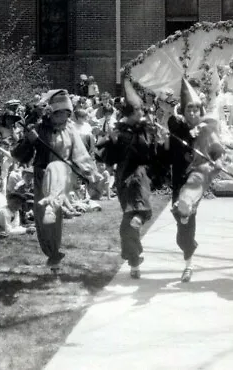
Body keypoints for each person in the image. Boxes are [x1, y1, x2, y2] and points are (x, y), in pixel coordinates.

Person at [11, 89, 102, 266]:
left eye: (68, 114)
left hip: (61, 174)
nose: (66, 118)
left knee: (54, 212)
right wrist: (29, 140)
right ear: (53, 113)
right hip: (41, 175)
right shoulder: (38, 129)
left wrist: (92, 175)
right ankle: (52, 254)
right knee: (42, 217)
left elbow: (81, 154)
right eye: (62, 114)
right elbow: (20, 155)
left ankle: (54, 245)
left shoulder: (70, 129)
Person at [95, 80, 158, 279]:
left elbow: (151, 154)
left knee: (129, 222)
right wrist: (112, 142)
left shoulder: (147, 130)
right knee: (129, 222)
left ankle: (142, 219)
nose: (142, 113)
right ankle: (135, 260)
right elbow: (108, 158)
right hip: (123, 176)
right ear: (129, 113)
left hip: (139, 174)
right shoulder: (119, 132)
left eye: (142, 109)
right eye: (138, 110)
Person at [166, 78, 225, 282]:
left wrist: (218, 161)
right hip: (179, 178)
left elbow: (217, 150)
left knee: (189, 201)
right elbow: (172, 122)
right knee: (182, 231)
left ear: (201, 111)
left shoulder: (207, 129)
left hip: (198, 175)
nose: (193, 113)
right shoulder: (177, 128)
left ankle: (188, 265)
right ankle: (184, 218)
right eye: (188, 109)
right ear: (183, 111)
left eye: (196, 109)